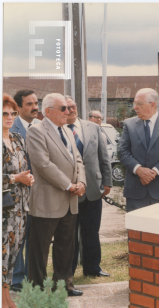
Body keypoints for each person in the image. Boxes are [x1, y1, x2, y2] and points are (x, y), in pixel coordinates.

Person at [26, 93, 86, 297]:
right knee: (39, 250)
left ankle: (63, 286)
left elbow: (78, 159)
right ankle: (37, 289)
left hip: (70, 201)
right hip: (47, 201)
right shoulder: (36, 131)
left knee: (66, 247)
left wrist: (82, 183)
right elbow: (43, 165)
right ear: (48, 111)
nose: (68, 112)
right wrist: (69, 185)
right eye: (63, 108)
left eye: (69, 108)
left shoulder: (67, 131)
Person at [65, 97, 112, 278]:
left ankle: (93, 267)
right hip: (69, 190)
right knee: (69, 234)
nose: (71, 110)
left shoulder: (92, 127)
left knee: (92, 231)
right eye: (67, 107)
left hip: (92, 188)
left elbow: (103, 157)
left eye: (74, 106)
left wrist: (107, 182)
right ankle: (68, 270)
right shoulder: (59, 129)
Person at [118, 88, 159, 212]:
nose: (135, 107)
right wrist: (139, 170)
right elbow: (122, 151)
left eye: (139, 104)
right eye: (134, 103)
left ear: (153, 105)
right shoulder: (129, 124)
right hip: (136, 191)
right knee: (136, 230)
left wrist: (154, 172)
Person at [2, 94, 35, 308]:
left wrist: (27, 178)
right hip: (3, 210)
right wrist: (15, 178)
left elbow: (24, 168)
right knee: (2, 256)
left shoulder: (17, 138)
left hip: (20, 209)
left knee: (13, 256)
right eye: (4, 113)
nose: (9, 117)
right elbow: (14, 174)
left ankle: (6, 298)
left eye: (13, 113)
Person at [9, 90, 41, 292]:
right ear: (18, 108)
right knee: (18, 237)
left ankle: (32, 276)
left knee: (34, 237)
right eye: (29, 104)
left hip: (40, 192)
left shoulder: (42, 127)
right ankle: (17, 278)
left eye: (36, 102)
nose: (35, 107)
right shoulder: (11, 127)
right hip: (17, 192)